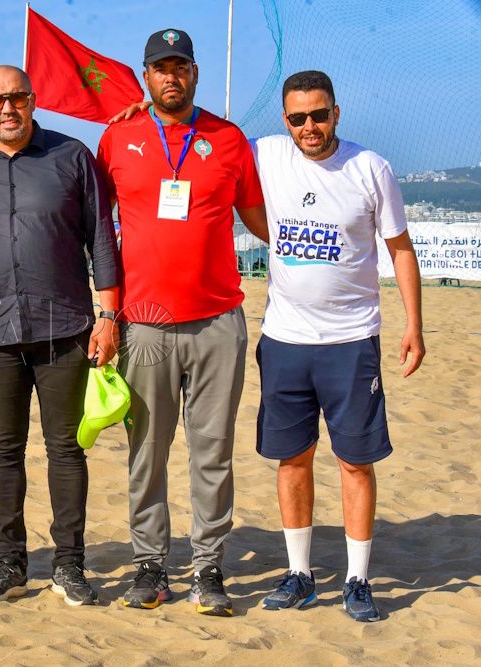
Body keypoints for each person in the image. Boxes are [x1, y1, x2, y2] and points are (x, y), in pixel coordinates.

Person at [98, 28, 267, 617]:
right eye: (160, 68)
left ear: (194, 72)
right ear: (146, 76)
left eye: (181, 66)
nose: (171, 76)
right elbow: (99, 232)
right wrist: (106, 312)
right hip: (144, 322)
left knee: (212, 451)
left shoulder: (227, 138)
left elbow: (261, 221)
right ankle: (150, 562)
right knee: (147, 447)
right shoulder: (118, 137)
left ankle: (209, 567)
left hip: (218, 320)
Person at [0, 65, 119, 607]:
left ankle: (69, 565)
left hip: (65, 327)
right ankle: (9, 562)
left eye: (16, 98)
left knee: (66, 449)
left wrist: (108, 315)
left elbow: (102, 239)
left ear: (33, 100)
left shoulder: (71, 157)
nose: (7, 109)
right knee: (2, 451)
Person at [252, 70, 424, 622]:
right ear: (285, 120)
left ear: (336, 113)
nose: (310, 126)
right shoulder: (269, 155)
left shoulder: (369, 168)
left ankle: (356, 579)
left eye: (319, 114)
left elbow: (399, 249)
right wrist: (141, 107)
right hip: (284, 339)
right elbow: (200, 141)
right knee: (292, 458)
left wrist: (413, 326)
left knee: (354, 462)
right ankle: (300, 574)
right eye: (298, 117)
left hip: (351, 342)